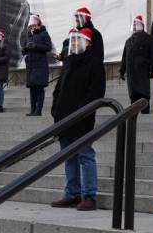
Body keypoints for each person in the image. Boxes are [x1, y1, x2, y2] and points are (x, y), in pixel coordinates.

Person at [50, 28, 106, 211]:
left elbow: (96, 93)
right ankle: (72, 193)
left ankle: (89, 195)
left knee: (85, 155)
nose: (74, 43)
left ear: (88, 42)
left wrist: (82, 111)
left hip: (82, 118)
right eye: (72, 40)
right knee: (68, 157)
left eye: (78, 40)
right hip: (64, 117)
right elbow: (59, 88)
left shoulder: (95, 63)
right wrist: (55, 109)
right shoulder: (68, 62)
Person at [120, 15, 153, 114]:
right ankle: (134, 114)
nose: (134, 26)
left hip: (143, 71)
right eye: (133, 24)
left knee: (143, 94)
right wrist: (122, 70)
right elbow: (124, 57)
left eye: (136, 24)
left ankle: (145, 111)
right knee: (133, 95)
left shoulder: (150, 39)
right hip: (131, 73)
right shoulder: (128, 41)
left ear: (141, 25)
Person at [23, 14, 52, 116]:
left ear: (38, 24)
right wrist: (25, 49)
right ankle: (32, 109)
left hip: (40, 66)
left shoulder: (44, 34)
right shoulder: (29, 36)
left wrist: (36, 46)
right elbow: (24, 50)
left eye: (33, 26)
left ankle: (38, 110)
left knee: (39, 88)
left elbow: (48, 47)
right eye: (30, 26)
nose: (32, 28)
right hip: (31, 66)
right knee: (32, 89)